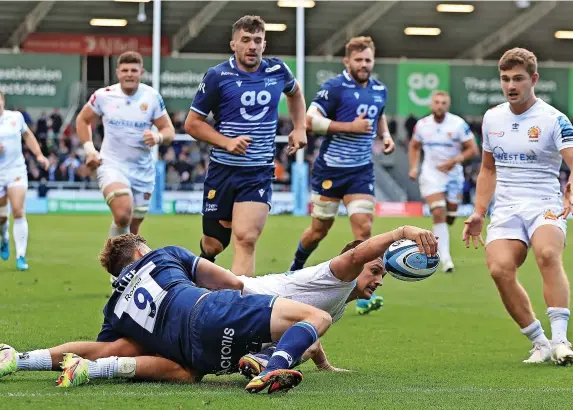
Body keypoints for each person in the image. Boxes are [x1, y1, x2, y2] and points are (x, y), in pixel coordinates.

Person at [0, 226, 438, 386]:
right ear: (138, 252)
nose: (377, 279)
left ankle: (22, 360)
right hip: (232, 303)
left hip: (194, 345)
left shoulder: (116, 308)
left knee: (184, 370)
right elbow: (227, 280)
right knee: (314, 319)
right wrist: (402, 229)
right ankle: (269, 363)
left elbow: (110, 345)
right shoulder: (161, 254)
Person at [462, 47, 573, 365]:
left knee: (548, 254)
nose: (511, 85)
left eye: (518, 79)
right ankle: (540, 343)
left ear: (533, 79)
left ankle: (561, 340)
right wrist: (478, 212)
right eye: (505, 79)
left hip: (544, 203)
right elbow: (488, 169)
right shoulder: (492, 118)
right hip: (507, 208)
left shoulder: (554, 119)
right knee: (499, 269)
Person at [185, 15, 307, 276]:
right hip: (222, 171)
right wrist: (227, 142)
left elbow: (295, 93)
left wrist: (300, 128)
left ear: (264, 44)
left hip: (258, 172)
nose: (252, 46)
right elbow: (192, 124)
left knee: (246, 239)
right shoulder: (218, 76)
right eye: (246, 40)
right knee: (214, 243)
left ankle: (239, 307)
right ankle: (205, 263)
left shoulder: (278, 71)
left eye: (257, 40)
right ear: (234, 44)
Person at [287, 36, 395, 315]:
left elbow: (379, 115)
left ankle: (362, 291)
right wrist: (350, 127)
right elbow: (310, 121)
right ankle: (295, 270)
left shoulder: (379, 88)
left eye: (368, 60)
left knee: (364, 230)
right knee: (317, 231)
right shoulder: (335, 87)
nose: (364, 65)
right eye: (358, 60)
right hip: (331, 170)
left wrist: (385, 135)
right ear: (347, 62)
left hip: (360, 171)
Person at [75, 51, 175, 243]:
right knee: (123, 214)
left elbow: (168, 130)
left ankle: (124, 267)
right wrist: (90, 150)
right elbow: (82, 119)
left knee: (133, 230)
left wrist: (158, 136)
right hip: (112, 164)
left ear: (141, 72)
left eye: (134, 70)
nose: (129, 74)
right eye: (125, 70)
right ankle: (115, 269)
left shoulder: (151, 97)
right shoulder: (104, 96)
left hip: (143, 170)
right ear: (118, 73)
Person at [408, 91, 479, 273]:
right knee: (438, 211)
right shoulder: (422, 125)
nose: (439, 105)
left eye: (443, 103)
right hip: (431, 174)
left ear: (448, 105)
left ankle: (445, 227)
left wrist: (455, 160)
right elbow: (414, 146)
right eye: (437, 102)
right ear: (431, 104)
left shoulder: (458, 124)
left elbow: (473, 149)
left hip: (454, 175)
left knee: (450, 217)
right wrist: (414, 167)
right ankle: (445, 259)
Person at [0, 91, 49, 270]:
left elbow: (27, 135)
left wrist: (39, 155)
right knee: (1, 218)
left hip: (16, 170)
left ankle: (21, 256)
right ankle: (3, 238)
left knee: (18, 211)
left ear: (3, 101)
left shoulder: (16, 118)